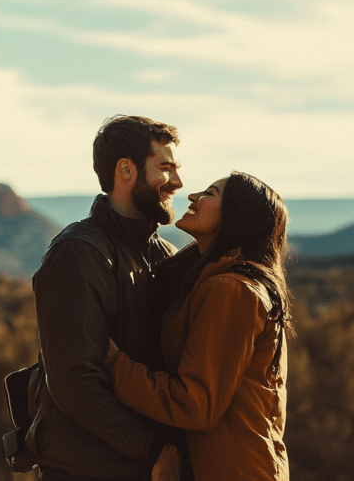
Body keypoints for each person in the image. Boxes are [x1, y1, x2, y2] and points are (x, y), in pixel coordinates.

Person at [26, 115, 184, 481]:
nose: (177, 182)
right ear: (126, 170)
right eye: (165, 168)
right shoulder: (77, 253)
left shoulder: (166, 256)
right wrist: (154, 450)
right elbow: (75, 383)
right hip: (86, 471)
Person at [106, 171, 293, 481]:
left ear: (236, 216)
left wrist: (115, 365)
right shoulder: (210, 281)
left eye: (211, 193)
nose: (193, 196)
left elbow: (195, 404)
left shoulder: (232, 290)